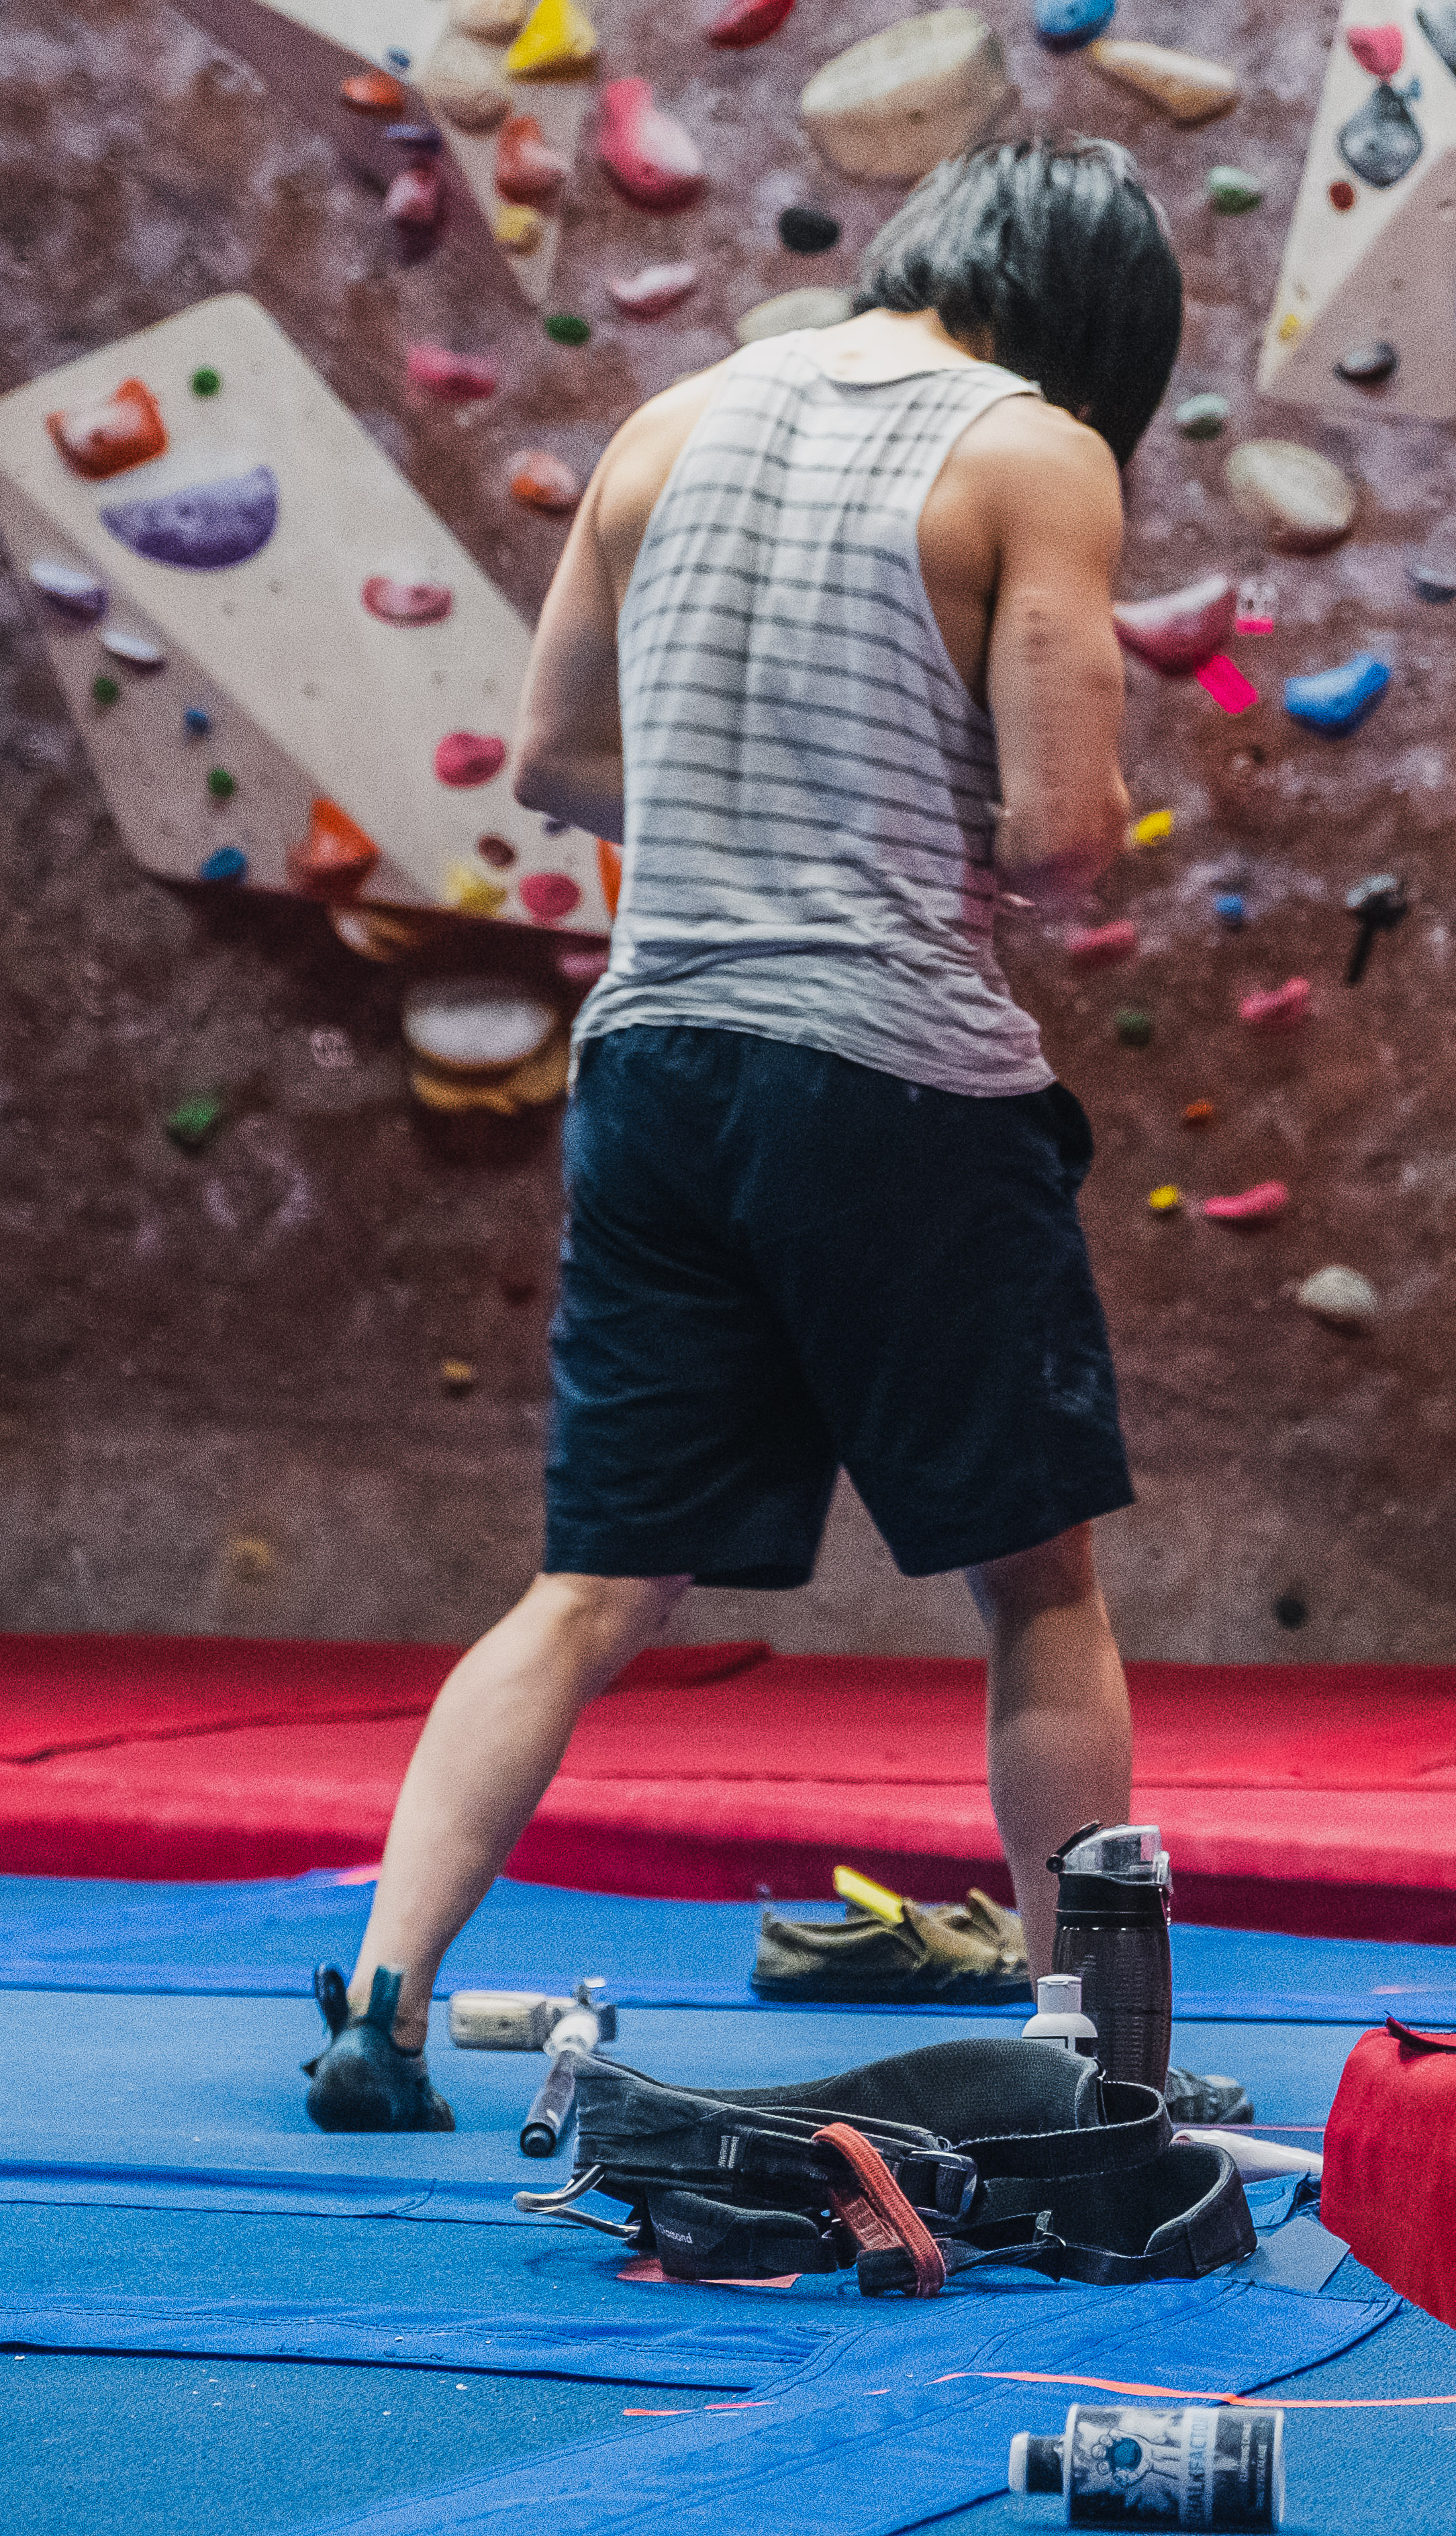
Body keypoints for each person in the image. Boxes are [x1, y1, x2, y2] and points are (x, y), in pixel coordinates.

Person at [302, 138, 1181, 2132]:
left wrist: (749, 799)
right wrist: (913, 813)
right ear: (1095, 317)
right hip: (888, 1067)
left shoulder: (665, 421)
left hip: (658, 1067)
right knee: (1039, 1589)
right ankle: (1087, 2055)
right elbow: (1061, 834)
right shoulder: (1032, 449)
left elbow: (553, 760)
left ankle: (380, 2000)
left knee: (591, 1589)